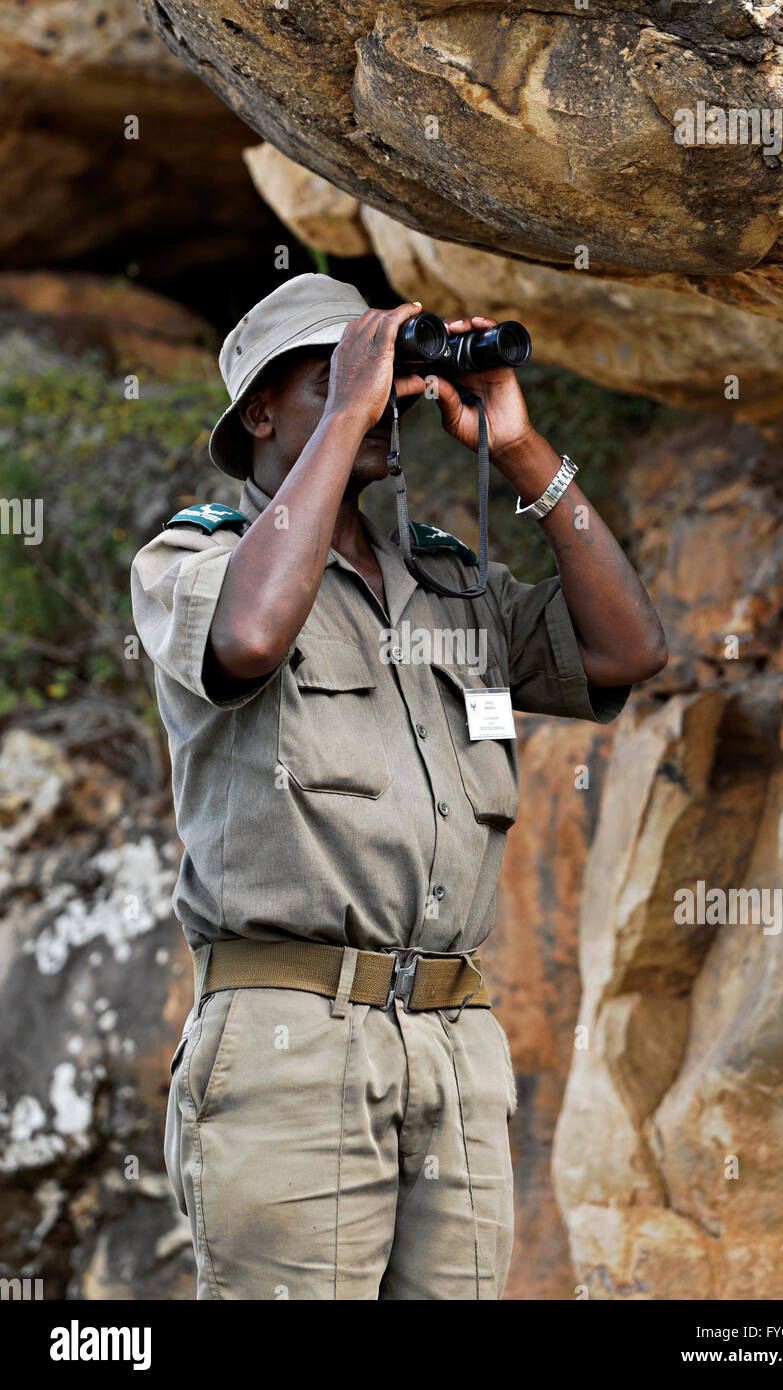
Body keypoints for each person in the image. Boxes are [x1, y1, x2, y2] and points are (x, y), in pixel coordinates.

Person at [130, 272, 667, 1300]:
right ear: (259, 410)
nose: (383, 393)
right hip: (290, 1040)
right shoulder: (195, 560)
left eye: (381, 370)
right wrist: (347, 407)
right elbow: (246, 637)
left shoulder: (448, 580)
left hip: (453, 1044)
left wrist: (518, 452)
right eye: (335, 372)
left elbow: (624, 647)